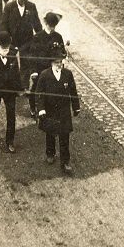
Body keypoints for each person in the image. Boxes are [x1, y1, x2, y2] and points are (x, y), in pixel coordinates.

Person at [31, 44, 80, 174]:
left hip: (64, 111)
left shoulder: (67, 75)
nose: (59, 64)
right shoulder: (45, 75)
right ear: (51, 63)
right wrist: (41, 109)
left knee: (64, 136)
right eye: (56, 62)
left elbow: (73, 92)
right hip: (50, 109)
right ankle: (50, 153)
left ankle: (65, 162)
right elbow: (39, 94)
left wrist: (76, 107)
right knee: (51, 133)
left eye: (60, 62)